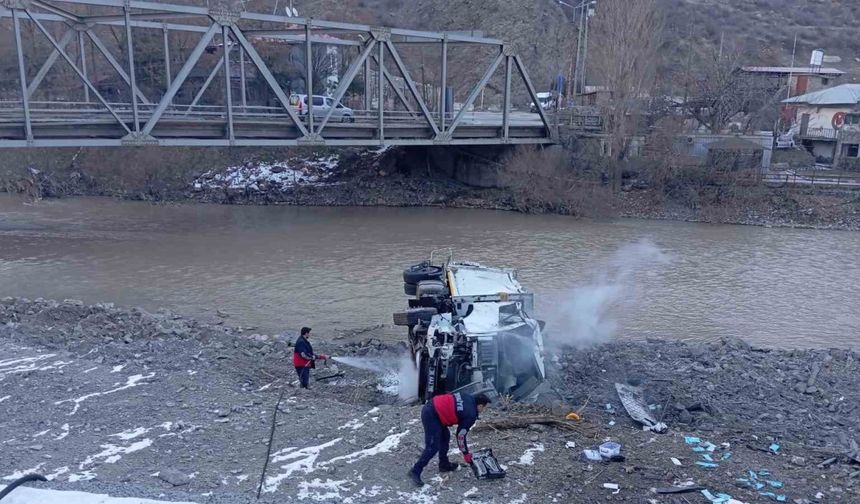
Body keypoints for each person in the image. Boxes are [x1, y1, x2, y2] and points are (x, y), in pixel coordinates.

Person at [408, 391, 491, 486]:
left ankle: (444, 464)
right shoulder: (471, 415)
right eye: (485, 407)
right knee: (432, 447)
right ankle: (415, 471)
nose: (484, 410)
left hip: (433, 407)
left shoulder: (467, 396)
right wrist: (466, 454)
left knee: (445, 437)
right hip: (432, 415)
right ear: (480, 406)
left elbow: (449, 396)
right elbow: (460, 435)